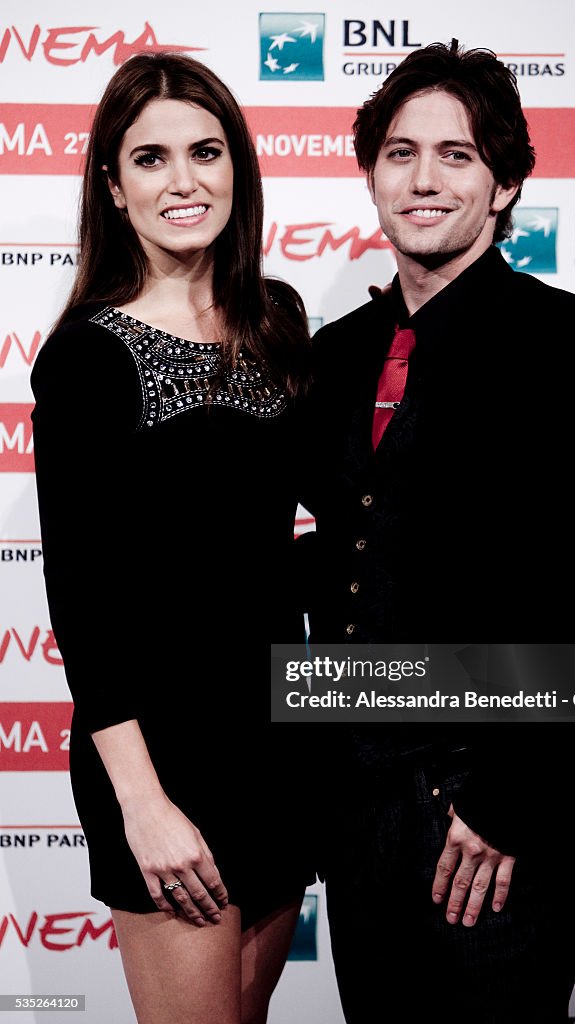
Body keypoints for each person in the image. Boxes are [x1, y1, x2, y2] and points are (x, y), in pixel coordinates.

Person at [301, 41, 575, 1023]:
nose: (422, 179)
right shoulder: (333, 357)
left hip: (496, 805)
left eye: (455, 155)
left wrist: (505, 796)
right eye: (400, 152)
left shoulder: (570, 343)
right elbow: (340, 553)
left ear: (502, 183)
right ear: (370, 171)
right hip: (357, 805)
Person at [30, 52, 312, 1024]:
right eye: (149, 159)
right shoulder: (85, 355)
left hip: (278, 746)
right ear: (112, 186)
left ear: (238, 165)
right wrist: (143, 805)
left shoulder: (277, 321)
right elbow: (83, 600)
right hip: (161, 761)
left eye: (205, 150)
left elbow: (282, 540)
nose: (182, 180)